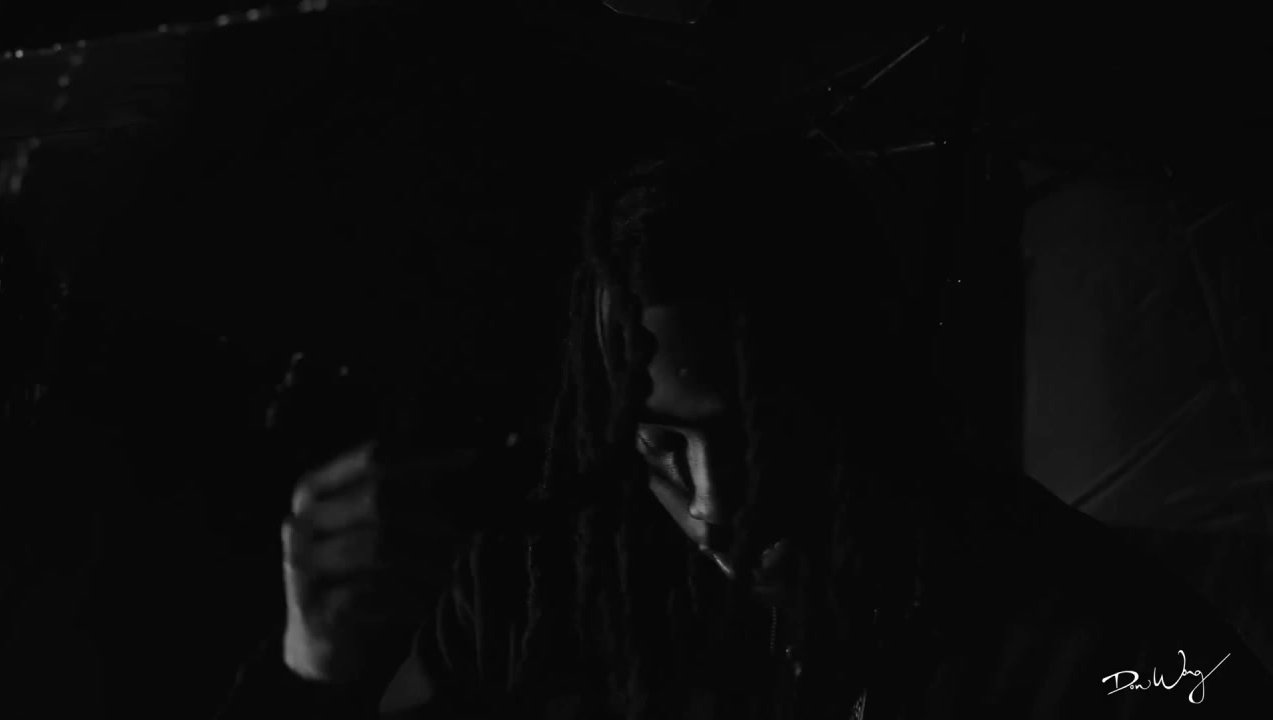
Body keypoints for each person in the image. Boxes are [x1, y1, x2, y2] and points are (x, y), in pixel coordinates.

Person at [214, 131, 1273, 719]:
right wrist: (312, 672)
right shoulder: (533, 593)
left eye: (768, 433)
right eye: (661, 444)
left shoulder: (1091, 633)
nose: (719, 506)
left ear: (860, 390)